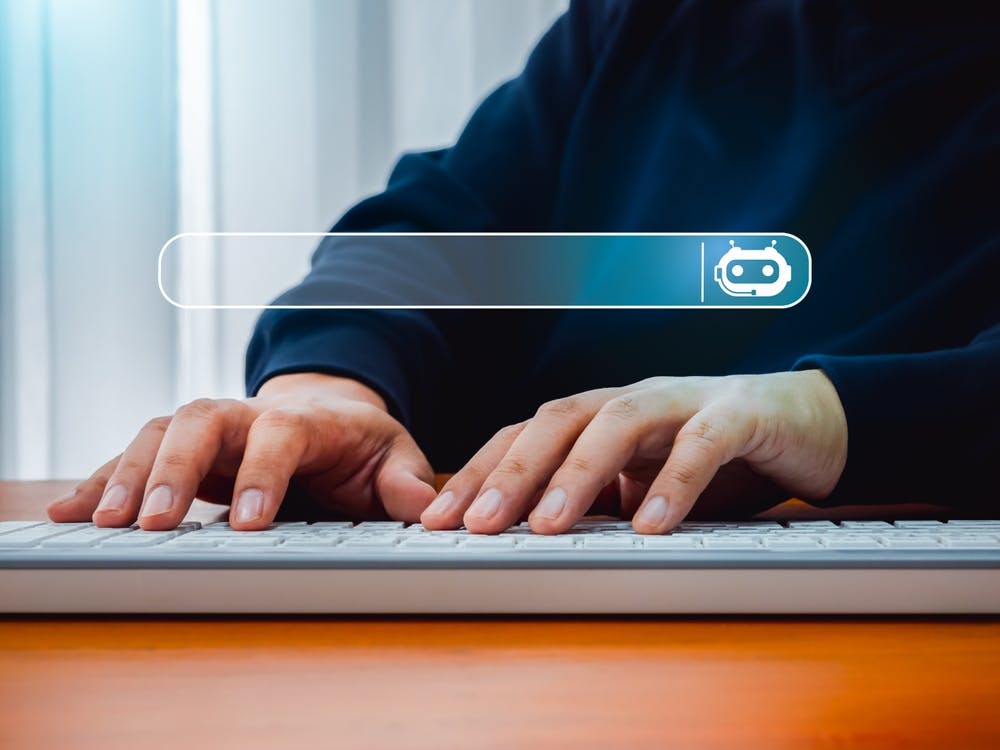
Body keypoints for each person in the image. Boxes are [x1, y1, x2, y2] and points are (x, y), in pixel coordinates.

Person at [50, 0, 1000, 535]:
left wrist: (831, 417)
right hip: (516, 590)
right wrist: (329, 384)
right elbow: (432, 236)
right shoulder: (650, 26)